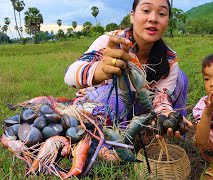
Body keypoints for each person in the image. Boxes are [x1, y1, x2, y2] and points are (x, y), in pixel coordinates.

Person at [64, 0, 191, 139]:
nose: (153, 19)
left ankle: (156, 133)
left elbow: (161, 100)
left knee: (180, 77)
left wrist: (167, 116)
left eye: (161, 13)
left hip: (134, 105)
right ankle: (102, 143)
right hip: (98, 106)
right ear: (132, 16)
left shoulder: (169, 58)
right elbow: (69, 75)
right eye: (146, 10)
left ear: (167, 21)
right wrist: (101, 70)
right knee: (113, 95)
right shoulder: (111, 42)